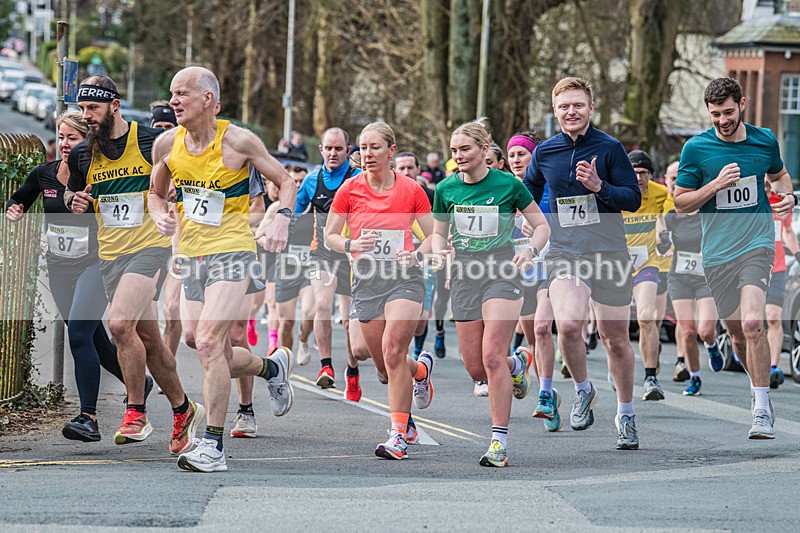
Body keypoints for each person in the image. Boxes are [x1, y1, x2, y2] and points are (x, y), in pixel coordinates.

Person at [148, 66, 297, 471]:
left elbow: (285, 181)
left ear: (208, 100)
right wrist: (160, 214)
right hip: (193, 253)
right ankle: (271, 367)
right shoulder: (167, 144)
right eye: (172, 92)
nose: (173, 100)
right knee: (199, 341)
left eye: (182, 93)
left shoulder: (238, 141)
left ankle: (212, 446)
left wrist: (282, 215)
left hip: (233, 250)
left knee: (212, 341)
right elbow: (155, 193)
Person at [65, 75, 203, 454]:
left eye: (92, 108)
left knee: (119, 323)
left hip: (150, 249)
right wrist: (76, 201)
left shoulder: (151, 141)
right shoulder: (82, 154)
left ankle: (136, 410)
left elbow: (189, 171)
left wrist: (177, 191)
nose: (86, 116)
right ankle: (183, 408)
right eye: (82, 109)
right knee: (150, 341)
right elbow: (73, 192)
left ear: (114, 105)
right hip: (111, 255)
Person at [524, 77, 642, 450]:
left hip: (608, 253)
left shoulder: (609, 148)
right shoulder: (545, 151)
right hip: (565, 251)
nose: (571, 112)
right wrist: (526, 216)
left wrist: (599, 188)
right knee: (569, 325)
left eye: (578, 105)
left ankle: (625, 414)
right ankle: (583, 389)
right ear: (555, 111)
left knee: (615, 340)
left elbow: (633, 199)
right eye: (564, 106)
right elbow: (528, 190)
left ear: (591, 108)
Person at [674, 76, 795, 439]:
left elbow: (780, 175)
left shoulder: (764, 139)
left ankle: (760, 407)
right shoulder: (696, 148)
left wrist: (788, 196)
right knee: (738, 336)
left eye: (728, 112)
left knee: (754, 322)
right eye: (715, 115)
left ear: (742, 104)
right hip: (716, 255)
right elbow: (680, 203)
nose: (722, 121)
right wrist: (714, 185)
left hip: (756, 245)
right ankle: (757, 390)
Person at [434, 119, 550, 467]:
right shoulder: (446, 188)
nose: (458, 156)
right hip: (466, 275)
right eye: (454, 151)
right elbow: (439, 233)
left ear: (485, 150)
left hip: (503, 273)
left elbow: (542, 225)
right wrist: (440, 250)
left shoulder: (508, 185)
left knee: (491, 356)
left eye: (465, 149)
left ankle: (498, 442)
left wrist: (529, 249)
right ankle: (519, 363)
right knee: (475, 368)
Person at [6, 110, 128, 442]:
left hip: (95, 265)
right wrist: (15, 210)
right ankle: (139, 382)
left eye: (71, 138)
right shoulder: (43, 174)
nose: (64, 144)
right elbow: (19, 200)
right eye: (60, 137)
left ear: (85, 143)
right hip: (60, 269)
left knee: (77, 333)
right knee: (95, 342)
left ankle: (88, 417)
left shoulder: (100, 176)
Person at [325, 122, 436, 460]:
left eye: (375, 147)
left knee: (392, 349)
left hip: (405, 278)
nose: (368, 154)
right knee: (384, 367)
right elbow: (330, 235)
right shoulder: (348, 189)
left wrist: (416, 253)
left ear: (391, 149)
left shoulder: (411, 189)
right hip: (367, 281)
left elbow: (433, 237)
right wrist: (351, 243)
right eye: (363, 147)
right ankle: (420, 371)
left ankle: (398, 435)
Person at [295, 127, 360, 396]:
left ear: (348, 150)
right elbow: (295, 213)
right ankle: (326, 367)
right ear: (320, 150)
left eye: (338, 148)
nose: (333, 153)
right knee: (322, 304)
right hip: (321, 253)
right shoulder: (311, 181)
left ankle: (352, 371)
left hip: (351, 253)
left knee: (347, 320)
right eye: (328, 148)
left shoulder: (358, 179)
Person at [657, 164, 722, 396]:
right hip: (680, 276)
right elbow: (661, 243)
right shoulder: (670, 217)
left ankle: (713, 346)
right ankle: (695, 377)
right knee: (687, 332)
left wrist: (711, 250)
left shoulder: (708, 214)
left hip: (706, 276)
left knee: (705, 330)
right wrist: (662, 243)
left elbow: (721, 238)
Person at [621, 150, 669, 401]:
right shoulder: (616, 192)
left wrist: (663, 231)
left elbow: (666, 216)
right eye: (633, 172)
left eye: (643, 173)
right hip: (616, 267)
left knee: (647, 317)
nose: (638, 178)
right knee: (614, 329)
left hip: (647, 263)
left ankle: (650, 377)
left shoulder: (661, 193)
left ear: (651, 175)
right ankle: (618, 366)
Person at [394, 151, 436, 359]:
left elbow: (438, 231)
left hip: (424, 260)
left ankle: (419, 355)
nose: (406, 172)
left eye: (410, 168)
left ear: (419, 170)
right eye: (401, 168)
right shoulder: (389, 195)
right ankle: (405, 357)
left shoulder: (430, 196)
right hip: (393, 261)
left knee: (420, 321)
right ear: (394, 169)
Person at [763, 178, 800, 388]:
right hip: (751, 269)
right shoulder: (751, 202)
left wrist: (797, 254)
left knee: (774, 317)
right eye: (764, 180)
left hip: (776, 269)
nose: (768, 184)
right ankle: (756, 362)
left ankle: (773, 368)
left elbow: (787, 232)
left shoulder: (780, 202)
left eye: (770, 180)